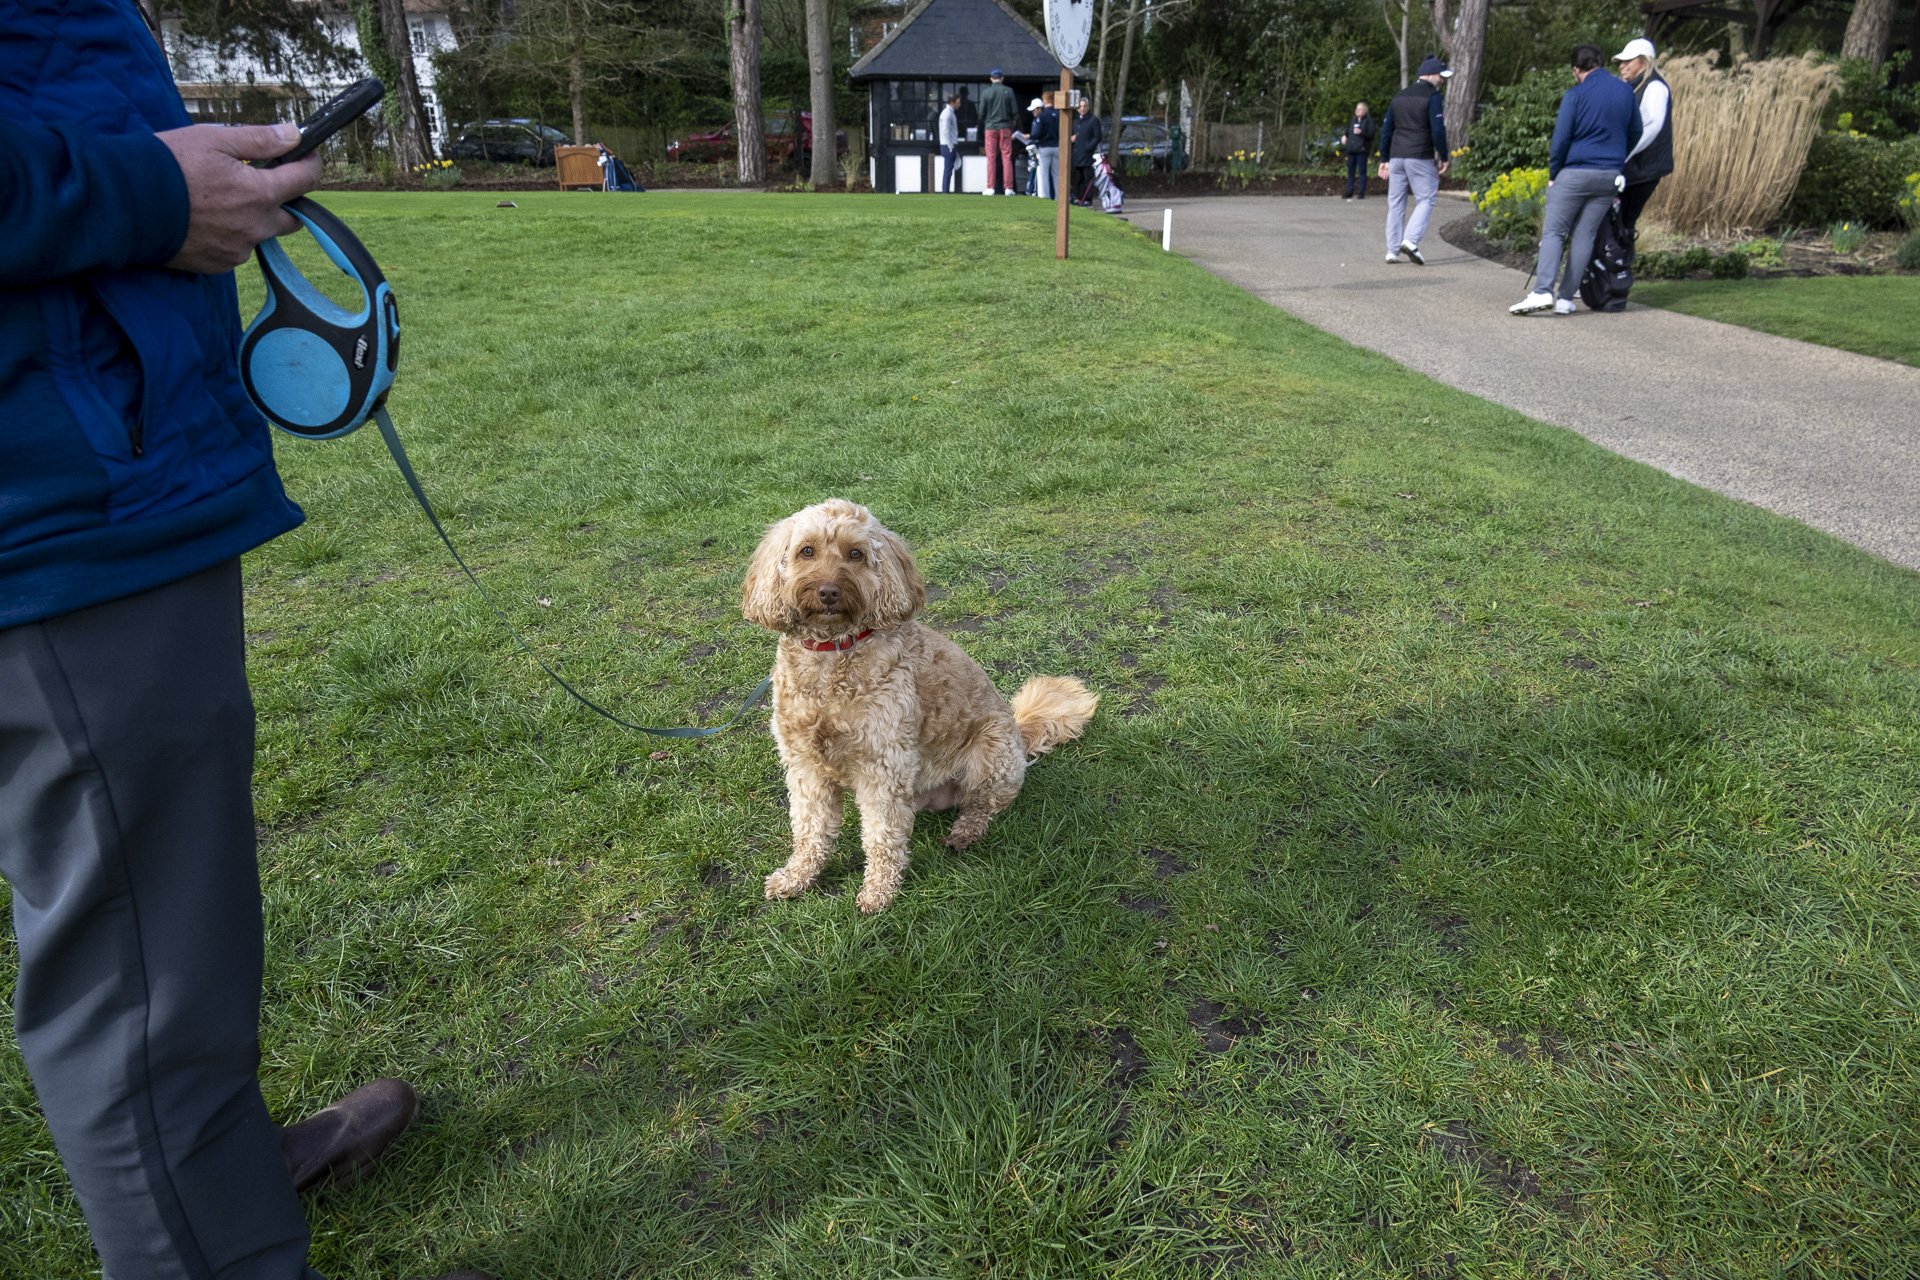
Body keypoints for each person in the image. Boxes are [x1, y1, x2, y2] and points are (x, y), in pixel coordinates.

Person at [0, 4, 492, 1278]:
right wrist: (149, 194)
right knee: (139, 963)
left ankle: (204, 1156)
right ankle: (204, 1226)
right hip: (54, 502)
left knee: (164, 927)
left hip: (104, 456)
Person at [1510, 43, 1642, 315]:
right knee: (1585, 234)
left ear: (1575, 70)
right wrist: (1618, 158)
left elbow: (1561, 138)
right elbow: (1636, 131)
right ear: (1600, 62)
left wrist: (1554, 172)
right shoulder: (1625, 92)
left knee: (1555, 231)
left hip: (1575, 172)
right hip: (1609, 175)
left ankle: (1543, 291)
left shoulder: (1576, 94)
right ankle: (1566, 298)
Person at [1376, 56, 1452, 264]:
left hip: (1397, 156)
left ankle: (1392, 250)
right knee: (1426, 198)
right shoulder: (1433, 96)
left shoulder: (1399, 96)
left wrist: (1384, 157)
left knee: (1396, 202)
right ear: (1428, 74)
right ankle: (1410, 240)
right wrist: (1444, 156)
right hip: (1420, 155)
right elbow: (1437, 130)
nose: (1442, 80)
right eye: (1440, 76)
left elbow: (1387, 129)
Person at [1613, 37, 1673, 247]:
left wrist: (1622, 157)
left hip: (1642, 170)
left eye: (1628, 60)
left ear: (1644, 62)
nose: (1622, 66)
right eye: (1621, 61)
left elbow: (1651, 127)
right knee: (1616, 222)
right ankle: (1612, 272)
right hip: (1632, 168)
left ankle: (1618, 273)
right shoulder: (1633, 87)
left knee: (1624, 224)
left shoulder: (1655, 87)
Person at [979, 68, 1018, 196]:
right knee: (1006, 157)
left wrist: (987, 122)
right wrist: (1010, 126)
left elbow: (981, 113)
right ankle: (1008, 188)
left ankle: (990, 187)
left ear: (991, 78)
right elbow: (1015, 112)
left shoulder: (986, 92)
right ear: (1002, 78)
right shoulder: (1009, 91)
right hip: (1005, 127)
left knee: (991, 157)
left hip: (990, 127)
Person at [1070, 98, 1105, 204]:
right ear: (1077, 108)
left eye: (1085, 106)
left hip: (1087, 155)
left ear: (1088, 107)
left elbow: (1097, 136)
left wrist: (1088, 147)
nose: (1083, 108)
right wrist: (1071, 139)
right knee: (1076, 178)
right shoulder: (1074, 121)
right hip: (1076, 154)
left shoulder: (1093, 120)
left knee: (1087, 178)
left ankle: (1087, 199)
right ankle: (1077, 198)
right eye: (1080, 106)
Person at [1341, 101, 1376, 200]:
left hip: (1362, 149)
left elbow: (1371, 134)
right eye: (1357, 109)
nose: (1357, 111)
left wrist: (1361, 132)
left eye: (1360, 109)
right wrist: (1344, 136)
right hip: (1351, 149)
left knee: (1362, 172)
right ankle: (1349, 191)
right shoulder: (1353, 120)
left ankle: (1361, 192)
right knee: (1350, 171)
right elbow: (1348, 131)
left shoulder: (1369, 121)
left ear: (1365, 111)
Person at [1032, 91, 1062, 200]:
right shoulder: (1059, 114)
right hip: (1057, 146)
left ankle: (1046, 197)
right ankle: (1058, 197)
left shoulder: (1042, 115)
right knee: (1056, 174)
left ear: (1044, 101)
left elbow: (1036, 133)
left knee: (1044, 174)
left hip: (1044, 147)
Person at [938, 92, 962, 193]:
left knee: (949, 169)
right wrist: (950, 145)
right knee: (948, 169)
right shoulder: (947, 113)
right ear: (952, 102)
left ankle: (945, 190)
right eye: (958, 102)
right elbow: (945, 130)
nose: (959, 104)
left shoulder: (949, 113)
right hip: (948, 145)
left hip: (949, 144)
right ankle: (945, 191)